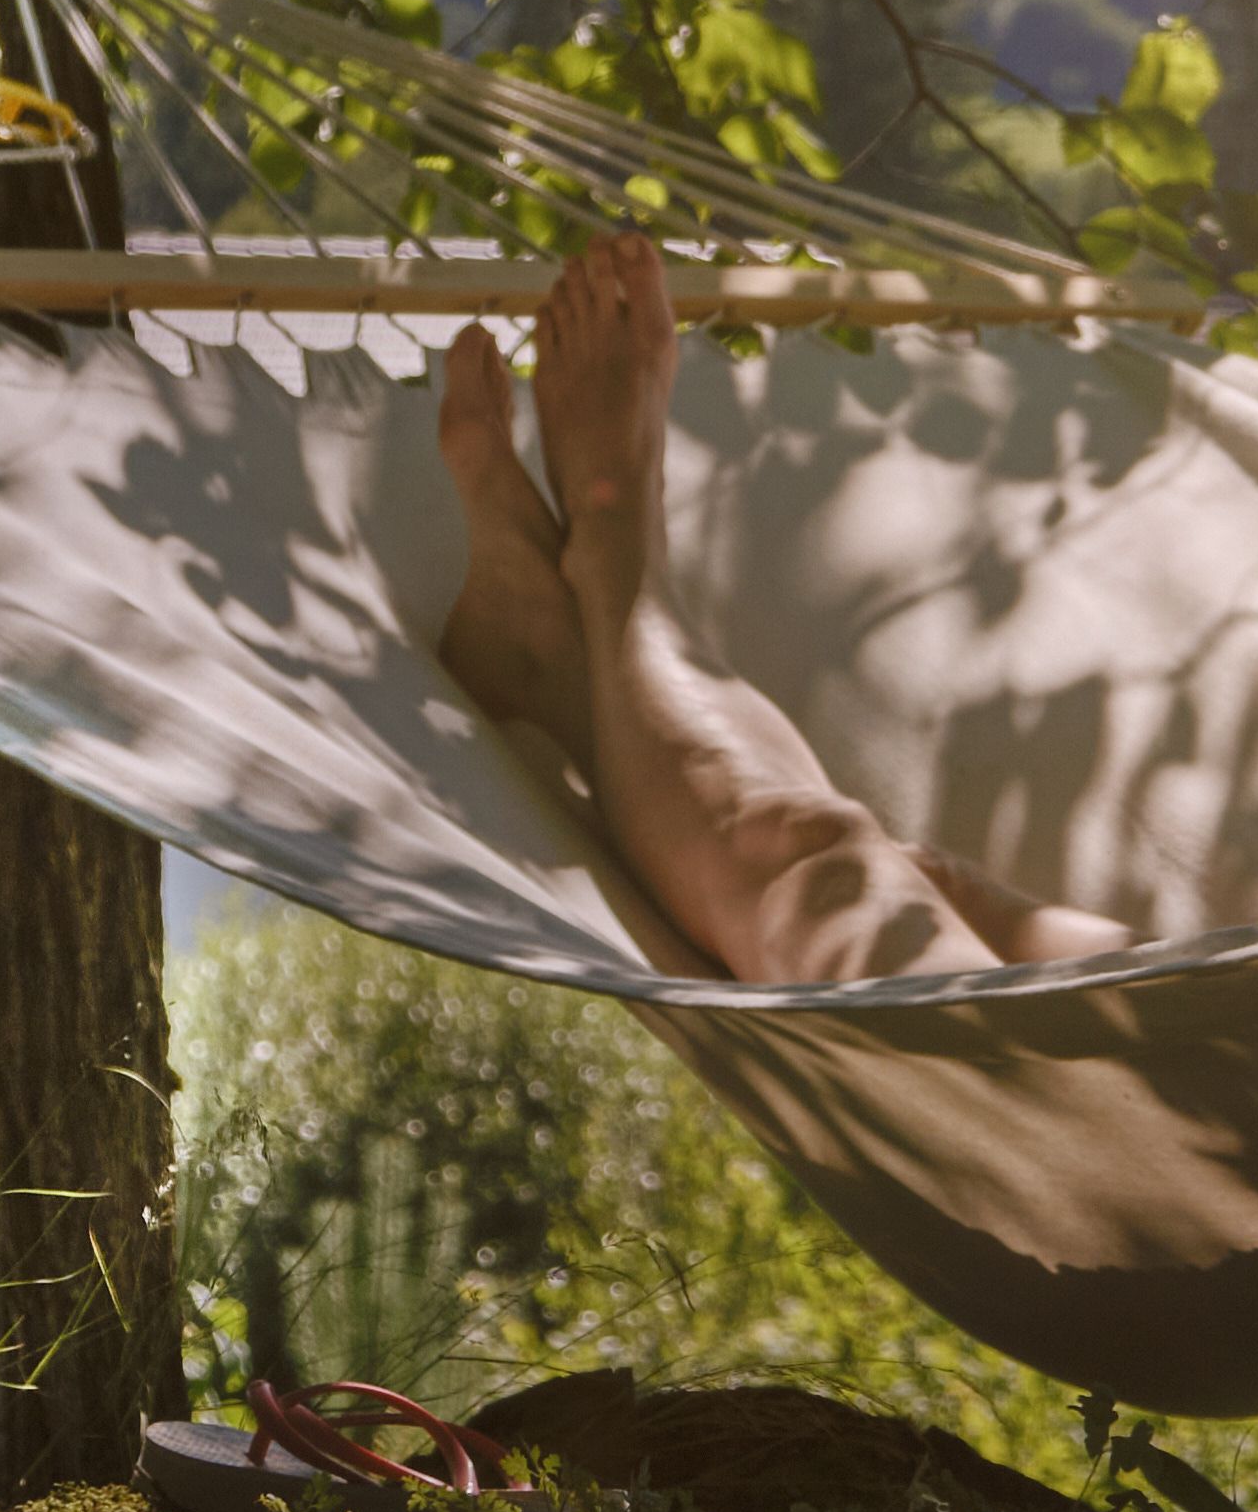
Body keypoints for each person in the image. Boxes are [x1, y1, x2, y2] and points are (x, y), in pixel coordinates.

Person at [431, 231, 1134, 985]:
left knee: (820, 862)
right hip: (1208, 1019)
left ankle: (616, 556)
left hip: (1065, 1073)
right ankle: (573, 676)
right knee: (929, 885)